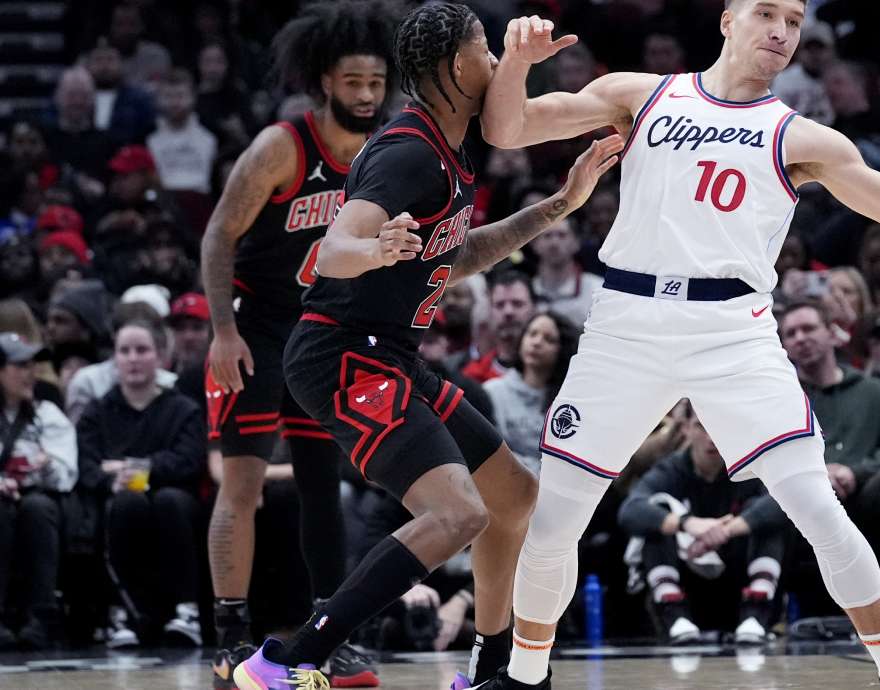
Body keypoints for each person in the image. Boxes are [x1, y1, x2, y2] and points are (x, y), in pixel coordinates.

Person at [476, 3, 880, 688]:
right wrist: (516, 64)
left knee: (817, 507)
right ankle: (526, 677)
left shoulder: (802, 138)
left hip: (733, 331)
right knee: (554, 520)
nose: (782, 32)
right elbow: (508, 127)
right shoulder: (640, 94)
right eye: (766, 13)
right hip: (626, 324)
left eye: (794, 20)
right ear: (729, 19)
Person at [233, 4, 621, 689]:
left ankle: (489, 670)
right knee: (458, 513)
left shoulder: (448, 148)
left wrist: (561, 202)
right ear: (456, 67)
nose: (496, 63)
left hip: (392, 356)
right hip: (343, 355)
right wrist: (374, 249)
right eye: (485, 51)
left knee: (513, 498)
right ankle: (288, 660)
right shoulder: (408, 151)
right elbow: (333, 249)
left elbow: (458, 255)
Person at [199, 1, 397, 686]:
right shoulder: (280, 146)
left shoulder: (383, 151)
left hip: (321, 332)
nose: (366, 95)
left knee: (323, 485)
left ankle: (328, 637)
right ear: (324, 82)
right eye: (353, 82)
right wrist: (222, 330)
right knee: (243, 483)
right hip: (253, 327)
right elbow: (218, 236)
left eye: (376, 82)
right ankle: (229, 637)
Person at [75, 319, 206, 646]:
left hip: (175, 501)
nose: (133, 358)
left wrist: (136, 469)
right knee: (127, 502)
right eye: (125, 351)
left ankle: (187, 610)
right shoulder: (97, 411)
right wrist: (113, 479)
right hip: (117, 500)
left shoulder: (183, 409)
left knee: (168, 500)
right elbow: (86, 465)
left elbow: (189, 460)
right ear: (115, 358)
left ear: (161, 356)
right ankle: (121, 613)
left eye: (142, 350)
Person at [617, 401, 788, 645]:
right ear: (685, 428)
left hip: (739, 582)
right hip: (689, 584)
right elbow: (630, 510)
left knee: (767, 515)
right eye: (701, 426)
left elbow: (786, 499)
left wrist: (726, 530)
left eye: (719, 426)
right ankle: (675, 616)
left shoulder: (749, 465)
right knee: (657, 513)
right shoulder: (673, 468)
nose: (711, 437)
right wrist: (687, 523)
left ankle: (756, 612)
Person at [779, 301, 880, 582]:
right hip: (804, 504)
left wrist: (854, 472)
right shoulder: (780, 399)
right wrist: (819, 475)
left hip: (865, 497)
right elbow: (773, 459)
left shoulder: (875, 392)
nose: (800, 338)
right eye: (791, 334)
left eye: (808, 328)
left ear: (832, 333)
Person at [0, 333, 77, 650]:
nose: (30, 373)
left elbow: (66, 475)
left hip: (39, 500)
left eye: (32, 365)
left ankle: (41, 617)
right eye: (20, 365)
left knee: (37, 508)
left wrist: (46, 466)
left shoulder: (47, 414)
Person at [483, 312, 581, 475]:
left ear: (563, 349)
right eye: (532, 334)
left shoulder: (568, 405)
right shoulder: (492, 392)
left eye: (549, 339)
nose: (536, 342)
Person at [462, 272, 538, 383]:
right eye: (499, 305)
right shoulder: (472, 377)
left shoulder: (556, 372)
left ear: (534, 308)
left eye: (517, 303)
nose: (508, 312)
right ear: (490, 310)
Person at [528, 219, 603, 327]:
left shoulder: (597, 289)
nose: (554, 243)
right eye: (547, 236)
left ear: (576, 242)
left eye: (562, 235)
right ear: (534, 244)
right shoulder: (525, 291)